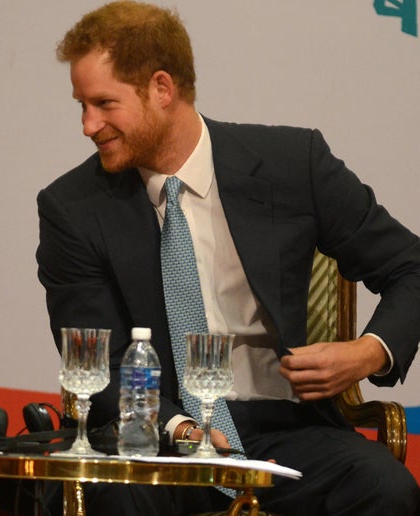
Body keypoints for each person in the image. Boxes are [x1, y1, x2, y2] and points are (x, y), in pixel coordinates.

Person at [36, 2, 420, 514]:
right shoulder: (74, 207)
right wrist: (182, 427)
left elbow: (409, 266)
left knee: (384, 487)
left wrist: (368, 352)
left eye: (104, 104)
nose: (88, 125)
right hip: (160, 436)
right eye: (81, 105)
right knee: (116, 500)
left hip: (286, 429)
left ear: (162, 89)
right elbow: (97, 361)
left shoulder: (292, 164)